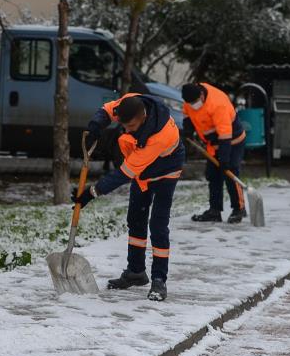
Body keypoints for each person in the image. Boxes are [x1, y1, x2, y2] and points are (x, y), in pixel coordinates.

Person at [75, 93, 185, 302]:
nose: (127, 130)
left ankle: (159, 280)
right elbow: (108, 109)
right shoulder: (130, 104)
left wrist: (93, 192)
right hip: (143, 172)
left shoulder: (160, 136)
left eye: (131, 126)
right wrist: (95, 126)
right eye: (124, 126)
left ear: (143, 117)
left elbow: (126, 172)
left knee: (158, 225)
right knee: (135, 218)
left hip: (166, 172)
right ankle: (136, 272)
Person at [181, 82, 246, 224]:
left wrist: (224, 158)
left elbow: (225, 135)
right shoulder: (190, 100)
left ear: (202, 95)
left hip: (231, 141)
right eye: (190, 103)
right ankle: (215, 211)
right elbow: (187, 115)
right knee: (213, 175)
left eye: (195, 102)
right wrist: (188, 130)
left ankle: (239, 208)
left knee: (230, 173)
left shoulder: (218, 104)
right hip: (213, 143)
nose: (193, 105)